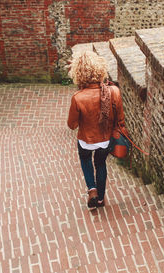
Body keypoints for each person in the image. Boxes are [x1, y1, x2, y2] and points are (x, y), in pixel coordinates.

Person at [67, 50, 126, 209]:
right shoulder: (113, 91)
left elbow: (71, 125)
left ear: (78, 73)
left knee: (85, 160)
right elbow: (121, 119)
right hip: (105, 140)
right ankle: (100, 199)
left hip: (86, 141)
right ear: (100, 69)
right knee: (100, 164)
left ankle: (92, 190)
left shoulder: (78, 98)